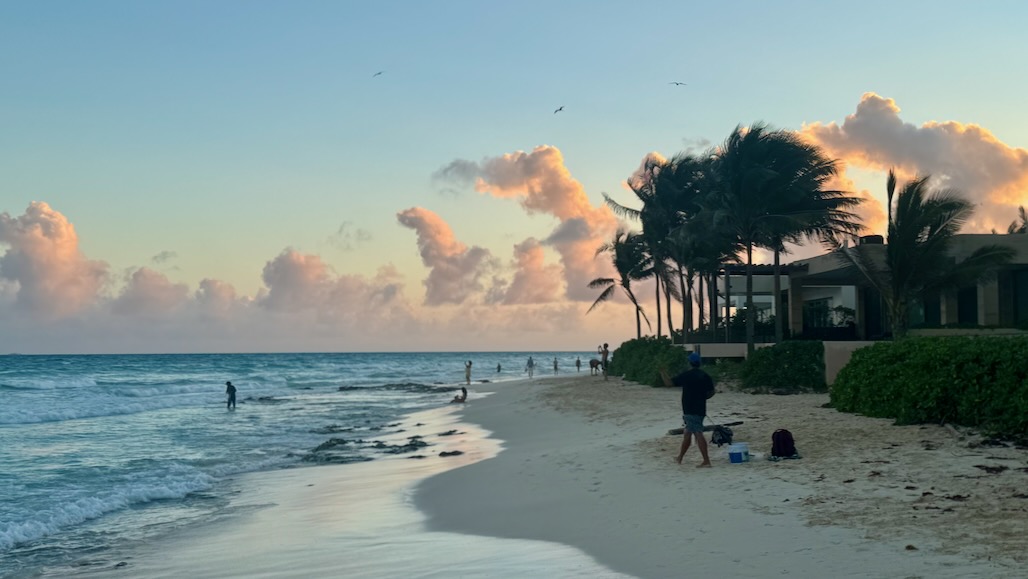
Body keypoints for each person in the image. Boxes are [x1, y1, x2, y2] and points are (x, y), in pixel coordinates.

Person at [668, 353, 714, 467]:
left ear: (690, 363)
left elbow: (669, 383)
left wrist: (662, 372)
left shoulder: (687, 375)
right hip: (700, 408)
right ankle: (680, 458)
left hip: (690, 409)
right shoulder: (705, 375)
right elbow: (712, 392)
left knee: (698, 433)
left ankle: (706, 461)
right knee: (687, 433)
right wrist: (703, 398)